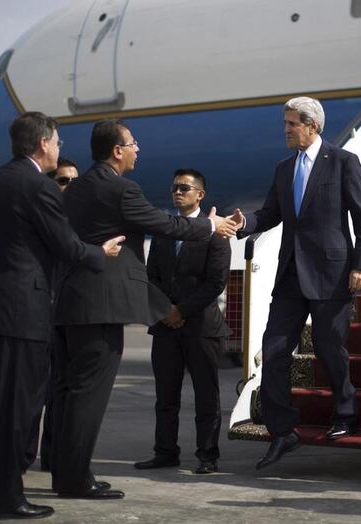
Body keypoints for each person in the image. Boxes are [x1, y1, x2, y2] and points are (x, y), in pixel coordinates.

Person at [0, 112, 123, 520]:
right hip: (23, 314)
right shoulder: (39, 187)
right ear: (41, 144)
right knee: (18, 409)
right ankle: (5, 500)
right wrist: (99, 253)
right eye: (56, 141)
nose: (58, 148)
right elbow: (67, 246)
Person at [51, 120, 238, 499]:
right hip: (100, 308)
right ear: (117, 151)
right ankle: (74, 480)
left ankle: (67, 473)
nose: (139, 150)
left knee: (72, 394)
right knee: (89, 396)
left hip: (71, 303)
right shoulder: (121, 189)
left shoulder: (76, 189)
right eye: (134, 144)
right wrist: (210, 225)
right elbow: (164, 224)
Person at [234, 96, 361, 469]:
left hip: (332, 274)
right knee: (275, 349)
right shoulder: (284, 168)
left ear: (312, 126)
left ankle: (346, 414)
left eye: (291, 124)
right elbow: (269, 214)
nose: (285, 130)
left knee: (330, 348)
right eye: (285, 124)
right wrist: (242, 224)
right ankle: (284, 431)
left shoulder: (343, 162)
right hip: (290, 276)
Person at [133, 168, 231, 474]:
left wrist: (181, 311)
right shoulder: (164, 231)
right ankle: (165, 452)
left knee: (206, 397)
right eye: (174, 187)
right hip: (166, 327)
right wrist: (165, 311)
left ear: (199, 194)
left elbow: (215, 283)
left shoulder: (216, 233)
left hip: (201, 327)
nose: (177, 192)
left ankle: (207, 456)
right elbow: (152, 277)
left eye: (184, 188)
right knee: (166, 397)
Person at [23, 157, 80, 473]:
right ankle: (23, 456)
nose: (70, 186)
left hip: (71, 321)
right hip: (36, 319)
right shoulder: (34, 219)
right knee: (33, 395)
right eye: (63, 181)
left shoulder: (84, 223)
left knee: (64, 394)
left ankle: (54, 458)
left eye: (74, 181)